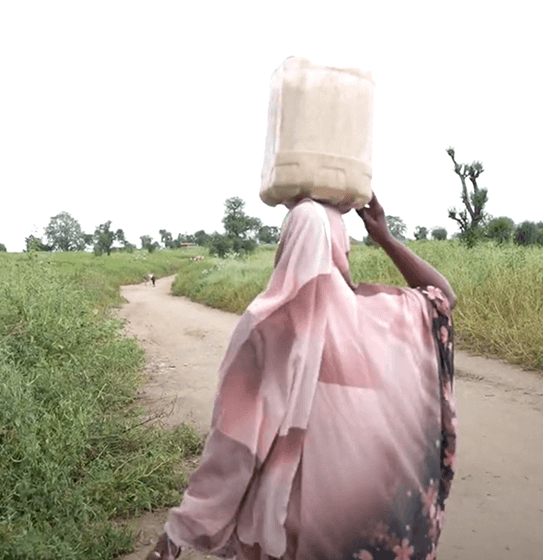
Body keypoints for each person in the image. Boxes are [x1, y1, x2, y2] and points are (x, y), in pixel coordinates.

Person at [146, 193, 457, 560]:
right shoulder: (383, 317)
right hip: (375, 529)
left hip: (293, 534)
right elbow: (442, 296)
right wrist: (385, 238)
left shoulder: (266, 328)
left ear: (288, 247)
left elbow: (235, 448)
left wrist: (180, 530)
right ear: (341, 249)